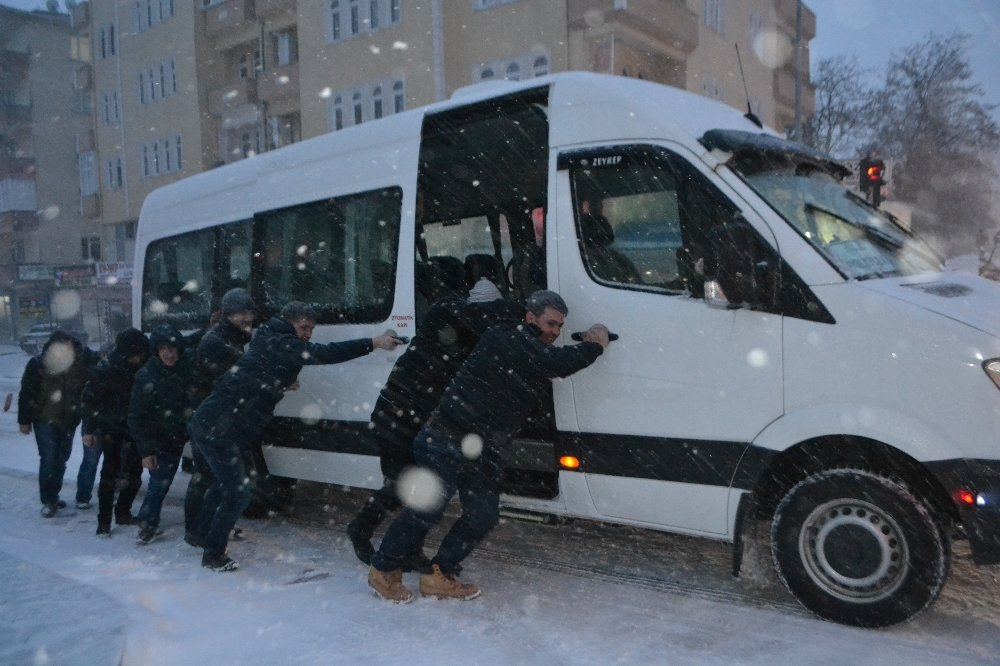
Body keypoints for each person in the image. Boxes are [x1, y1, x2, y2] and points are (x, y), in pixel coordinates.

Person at [368, 290, 610, 603]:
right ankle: (383, 570)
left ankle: (439, 575)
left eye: (559, 326)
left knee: (483, 515)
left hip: (480, 448)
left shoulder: (526, 345)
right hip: (446, 438)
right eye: (550, 323)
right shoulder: (507, 338)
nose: (555, 331)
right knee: (427, 510)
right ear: (529, 318)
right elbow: (557, 364)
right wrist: (595, 345)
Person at [188, 301, 405, 572]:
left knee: (222, 484)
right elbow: (325, 353)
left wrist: (277, 383)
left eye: (311, 329)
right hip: (219, 426)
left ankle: (198, 534)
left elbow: (254, 370)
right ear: (290, 322)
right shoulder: (281, 342)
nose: (308, 335)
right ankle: (213, 555)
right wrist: (374, 342)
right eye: (304, 328)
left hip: (222, 422)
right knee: (237, 491)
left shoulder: (269, 336)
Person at [346, 279, 523, 567]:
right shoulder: (445, 318)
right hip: (396, 413)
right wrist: (518, 312)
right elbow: (476, 315)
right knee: (402, 484)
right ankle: (360, 528)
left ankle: (409, 551)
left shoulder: (469, 335)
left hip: (418, 417)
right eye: (493, 312)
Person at [184, 287, 255, 547]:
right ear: (227, 315)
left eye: (248, 312)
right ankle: (194, 529)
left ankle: (204, 526)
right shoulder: (218, 340)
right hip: (209, 418)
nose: (246, 318)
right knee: (207, 476)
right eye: (239, 313)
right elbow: (243, 367)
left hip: (218, 417)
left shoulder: (233, 337)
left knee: (212, 477)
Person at [18, 330, 98, 517]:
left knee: (61, 458)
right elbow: (27, 393)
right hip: (44, 420)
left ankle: (53, 494)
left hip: (69, 420)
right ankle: (48, 500)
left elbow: (94, 376)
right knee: (49, 459)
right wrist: (24, 420)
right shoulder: (38, 364)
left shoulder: (80, 364)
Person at [129, 325, 198, 544]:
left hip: (178, 435)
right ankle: (147, 525)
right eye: (163, 349)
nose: (169, 353)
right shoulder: (147, 375)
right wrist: (146, 451)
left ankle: (146, 519)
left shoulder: (184, 367)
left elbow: (197, 342)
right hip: (158, 439)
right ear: (156, 351)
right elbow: (136, 416)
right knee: (160, 482)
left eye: (172, 348)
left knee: (162, 482)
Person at [82, 328, 151, 536]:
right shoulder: (105, 369)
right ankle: (104, 521)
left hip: (135, 428)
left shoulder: (144, 365)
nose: (138, 358)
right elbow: (90, 401)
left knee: (135, 474)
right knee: (109, 475)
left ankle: (123, 511)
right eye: (134, 355)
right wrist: (90, 429)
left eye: (141, 354)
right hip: (111, 428)